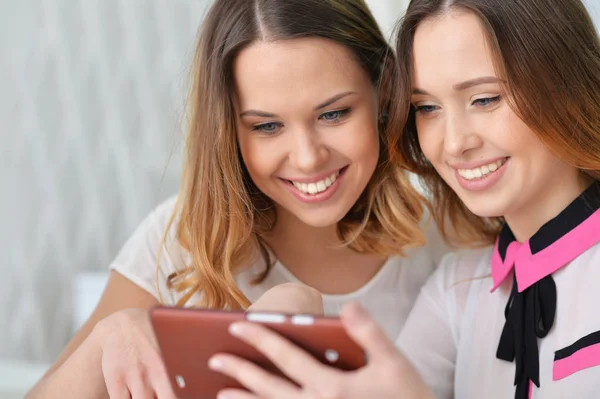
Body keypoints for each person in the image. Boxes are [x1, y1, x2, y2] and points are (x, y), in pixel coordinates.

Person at [26, 0, 449, 398]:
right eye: (266, 127)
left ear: (384, 96)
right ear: (228, 130)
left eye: (334, 114)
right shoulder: (181, 242)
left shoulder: (443, 247)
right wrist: (104, 339)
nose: (307, 158)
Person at [207, 1, 600, 398]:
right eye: (427, 108)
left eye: (484, 99)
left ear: (568, 81)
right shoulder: (455, 291)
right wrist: (298, 302)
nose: (454, 143)